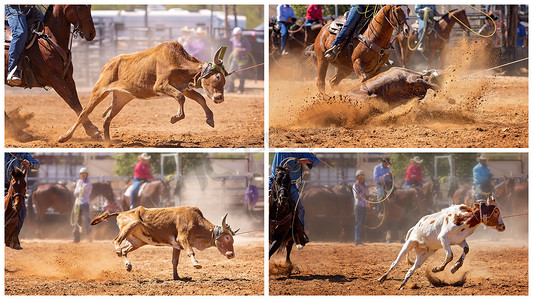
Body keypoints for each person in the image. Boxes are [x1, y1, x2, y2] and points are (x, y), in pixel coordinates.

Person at [269, 152, 319, 246]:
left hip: (290, 183)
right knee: (266, 199)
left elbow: (315, 161)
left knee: (299, 208)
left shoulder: (301, 151)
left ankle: (299, 235)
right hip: (274, 180)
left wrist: (308, 161)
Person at [4, 152, 40, 250]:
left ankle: (13, 237)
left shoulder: (23, 154)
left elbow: (37, 164)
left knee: (22, 210)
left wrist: (29, 163)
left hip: (16, 189)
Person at [5, 5, 43, 85]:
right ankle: (13, 69)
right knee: (20, 33)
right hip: (14, 8)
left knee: (47, 25)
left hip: (29, 8)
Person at [226, 27, 251, 94]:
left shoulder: (245, 40)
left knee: (241, 73)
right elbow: (228, 39)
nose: (236, 36)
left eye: (238, 35)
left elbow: (249, 48)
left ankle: (241, 88)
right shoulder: (233, 39)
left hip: (242, 59)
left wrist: (241, 49)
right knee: (230, 72)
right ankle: (230, 87)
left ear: (240, 34)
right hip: (235, 58)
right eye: (235, 35)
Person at [72, 167, 93, 243]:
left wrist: (77, 189)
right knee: (77, 221)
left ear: (86, 175)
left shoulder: (88, 183)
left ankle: (90, 237)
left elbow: (80, 190)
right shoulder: (79, 182)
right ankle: (76, 238)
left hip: (85, 203)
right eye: (81, 174)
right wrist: (77, 190)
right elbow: (75, 193)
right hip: (78, 203)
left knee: (87, 220)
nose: (83, 175)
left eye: (84, 174)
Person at [353, 169, 370, 245]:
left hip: (365, 205)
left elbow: (368, 194)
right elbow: (356, 196)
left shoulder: (364, 186)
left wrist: (363, 190)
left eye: (362, 176)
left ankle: (361, 240)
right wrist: (363, 192)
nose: (361, 178)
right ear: (357, 177)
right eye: (360, 176)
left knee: (363, 223)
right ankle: (357, 240)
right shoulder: (355, 185)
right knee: (359, 223)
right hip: (359, 206)